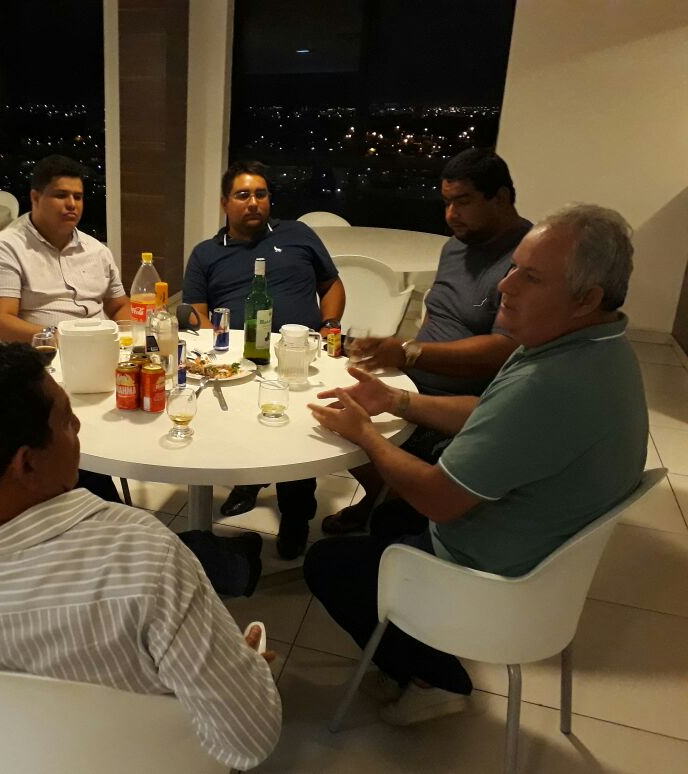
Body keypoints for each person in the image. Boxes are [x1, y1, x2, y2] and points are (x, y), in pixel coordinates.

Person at [0, 342, 282, 770]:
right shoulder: (143, 558)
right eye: (65, 419)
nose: (78, 424)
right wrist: (242, 671)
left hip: (17, 751)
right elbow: (249, 741)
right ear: (27, 465)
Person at [303, 204, 646, 725]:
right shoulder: (592, 347)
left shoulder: (550, 386)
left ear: (587, 298)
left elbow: (439, 499)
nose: (505, 285)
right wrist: (396, 402)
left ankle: (435, 679)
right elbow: (488, 413)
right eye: (514, 268)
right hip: (534, 536)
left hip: (499, 577)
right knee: (390, 514)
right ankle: (409, 627)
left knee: (327, 563)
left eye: (531, 277)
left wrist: (365, 435)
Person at [322, 147, 532, 536]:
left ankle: (395, 510)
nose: (451, 215)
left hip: (464, 404)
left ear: (501, 197)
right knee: (332, 410)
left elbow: (504, 350)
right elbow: (437, 312)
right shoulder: (454, 247)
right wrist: (397, 360)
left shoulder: (524, 262)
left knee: (367, 441)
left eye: (463, 202)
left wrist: (409, 353)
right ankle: (379, 494)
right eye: (447, 202)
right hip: (416, 379)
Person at [182, 160, 346, 559]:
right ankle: (250, 479)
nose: (253, 202)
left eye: (261, 194)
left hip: (299, 354)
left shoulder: (298, 235)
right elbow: (196, 314)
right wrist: (217, 350)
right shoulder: (206, 254)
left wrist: (329, 325)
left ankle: (296, 514)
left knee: (297, 434)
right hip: (237, 358)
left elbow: (332, 284)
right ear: (225, 202)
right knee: (239, 428)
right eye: (243, 195)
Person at [0, 154, 130, 344]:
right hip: (40, 352)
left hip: (100, 347)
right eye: (61, 195)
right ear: (35, 198)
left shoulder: (97, 250)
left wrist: (126, 339)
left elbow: (119, 306)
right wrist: (62, 339)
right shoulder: (4, 250)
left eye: (78, 197)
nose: (72, 204)